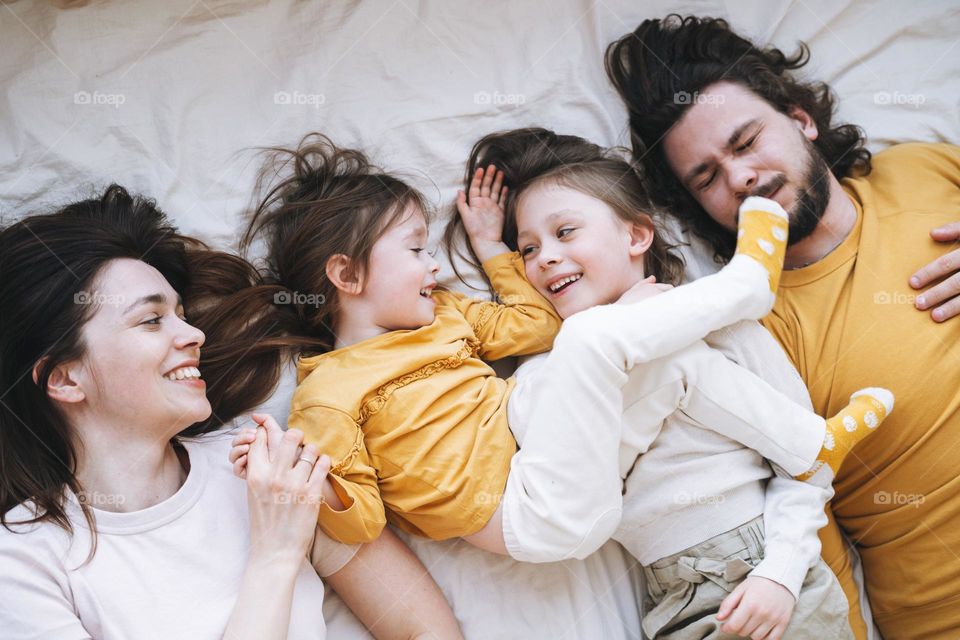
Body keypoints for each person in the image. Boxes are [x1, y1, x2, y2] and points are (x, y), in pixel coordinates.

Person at [230, 132, 892, 638]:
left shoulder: (682, 333)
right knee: (580, 351)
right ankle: (749, 290)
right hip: (558, 520)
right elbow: (363, 520)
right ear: (347, 277)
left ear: (638, 235)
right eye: (416, 249)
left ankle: (800, 413)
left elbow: (533, 322)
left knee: (652, 361)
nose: (436, 264)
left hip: (761, 566)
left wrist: (780, 568)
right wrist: (316, 484)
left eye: (565, 233)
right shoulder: (331, 392)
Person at [606, 13, 960, 639]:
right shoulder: (748, 328)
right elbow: (800, 513)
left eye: (745, 143)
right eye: (707, 177)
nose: (740, 177)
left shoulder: (926, 169)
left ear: (800, 120)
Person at [0, 185, 462, 640]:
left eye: (182, 314)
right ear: (64, 378)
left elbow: (426, 631)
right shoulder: (25, 560)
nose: (193, 335)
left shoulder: (263, 470)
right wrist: (275, 557)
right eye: (151, 320)